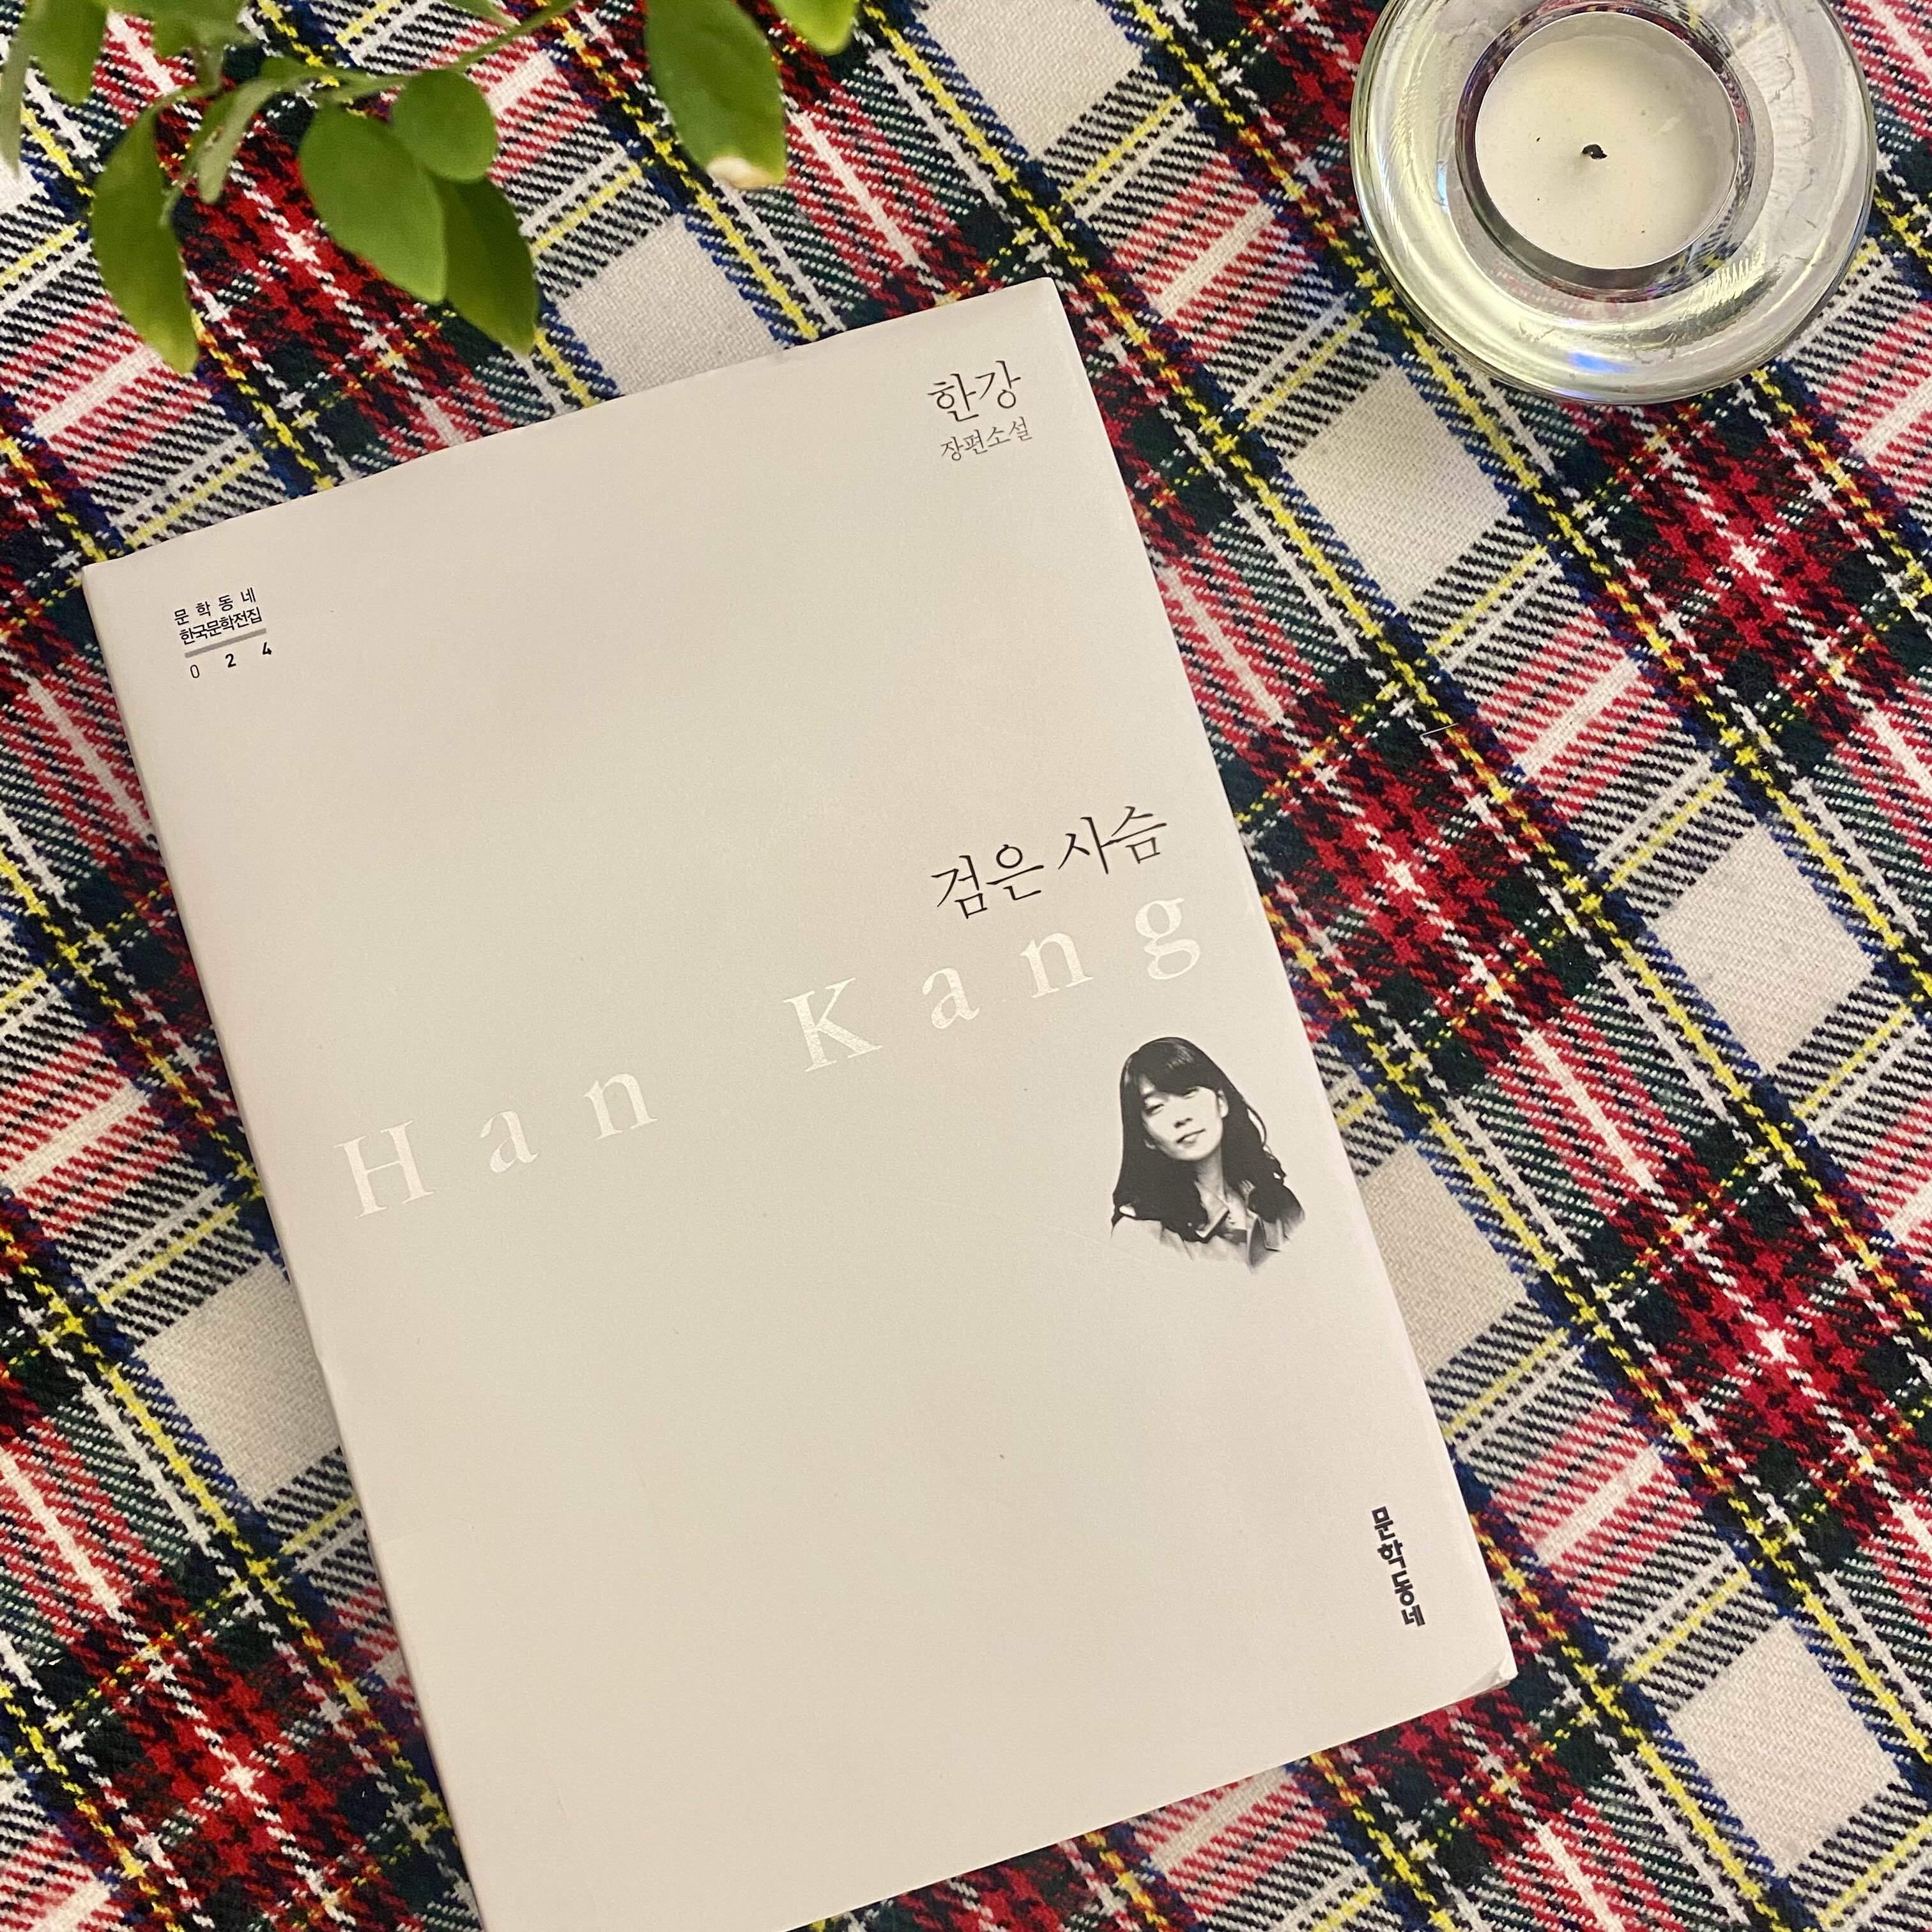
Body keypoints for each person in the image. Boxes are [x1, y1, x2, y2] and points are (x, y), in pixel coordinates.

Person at [1110, 1037, 1303, 1268]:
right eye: (1156, 1107)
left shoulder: (1280, 1204)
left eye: (1188, 1093)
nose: (1181, 1117)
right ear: (1146, 1137)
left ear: (1221, 1102)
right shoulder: (1140, 1235)